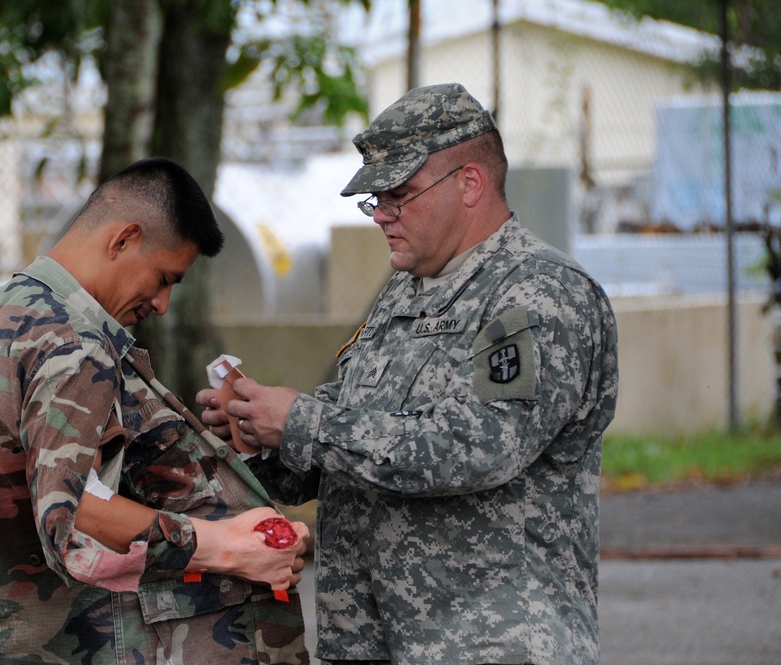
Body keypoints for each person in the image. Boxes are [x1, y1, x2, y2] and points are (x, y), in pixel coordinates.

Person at [197, 84, 619, 665]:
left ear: (469, 184)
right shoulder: (407, 293)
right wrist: (261, 437)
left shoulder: (536, 294)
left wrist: (301, 422)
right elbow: (354, 439)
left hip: (488, 643)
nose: (383, 216)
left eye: (399, 194)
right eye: (376, 199)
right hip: (373, 640)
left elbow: (478, 446)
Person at [0, 157, 310, 664]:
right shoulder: (78, 344)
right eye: (165, 278)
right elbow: (71, 518)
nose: (162, 303)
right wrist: (226, 546)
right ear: (123, 240)